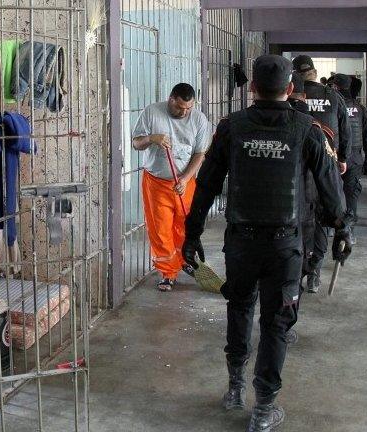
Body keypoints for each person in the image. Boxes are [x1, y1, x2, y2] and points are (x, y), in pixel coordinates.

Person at [182, 55, 351, 432]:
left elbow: (206, 184)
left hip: (241, 243)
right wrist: (342, 228)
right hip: (284, 246)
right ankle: (263, 409)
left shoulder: (231, 127)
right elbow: (329, 188)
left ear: (252, 87)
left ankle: (234, 388)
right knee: (276, 324)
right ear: (291, 89)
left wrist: (191, 235)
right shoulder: (306, 128)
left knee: (239, 308)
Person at [132, 83, 211, 291]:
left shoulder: (199, 120)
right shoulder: (152, 112)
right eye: (179, 107)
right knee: (160, 229)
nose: (184, 112)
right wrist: (151, 138)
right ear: (171, 99)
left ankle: (184, 261)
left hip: (185, 183)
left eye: (188, 108)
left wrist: (185, 179)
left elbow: (199, 154)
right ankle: (168, 272)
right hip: (156, 183)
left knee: (185, 225)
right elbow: (136, 143)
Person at [292, 55, 351, 293]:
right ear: (315, 72)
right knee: (322, 218)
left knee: (300, 218)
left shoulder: (292, 96)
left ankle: (298, 270)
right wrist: (343, 159)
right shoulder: (333, 97)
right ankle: (314, 271)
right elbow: (345, 131)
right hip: (327, 166)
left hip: (297, 169)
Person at [333, 73, 367, 243]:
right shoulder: (361, 108)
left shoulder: (333, 106)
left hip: (335, 156)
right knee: (351, 193)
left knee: (331, 190)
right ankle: (349, 230)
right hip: (355, 157)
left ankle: (331, 226)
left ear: (335, 87)